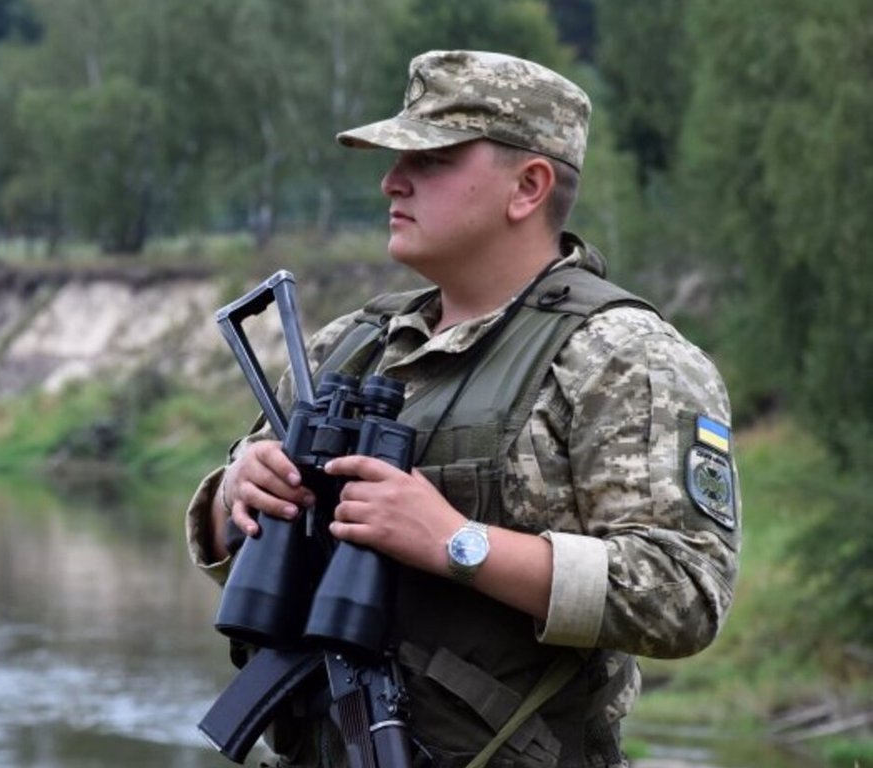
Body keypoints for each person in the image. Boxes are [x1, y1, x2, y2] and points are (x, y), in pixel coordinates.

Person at [185, 50, 740, 768]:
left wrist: (457, 543)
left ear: (528, 187)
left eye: (432, 160)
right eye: (396, 159)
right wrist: (238, 492)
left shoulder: (624, 359)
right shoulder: (351, 346)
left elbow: (685, 595)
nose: (392, 181)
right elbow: (231, 541)